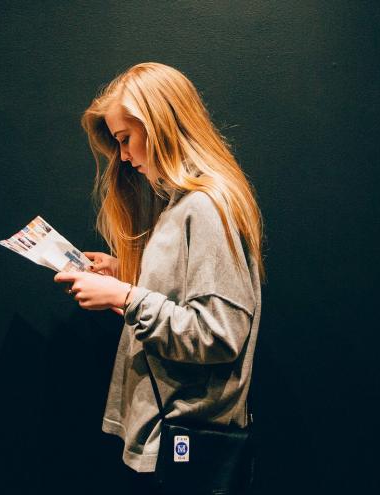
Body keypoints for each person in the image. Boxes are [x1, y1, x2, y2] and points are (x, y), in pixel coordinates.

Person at [53, 62, 265, 493]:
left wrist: (127, 297)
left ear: (160, 125)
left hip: (184, 438)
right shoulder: (184, 206)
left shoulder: (204, 207)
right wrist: (122, 274)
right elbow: (187, 300)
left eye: (125, 140)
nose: (125, 158)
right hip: (169, 434)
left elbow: (219, 334)